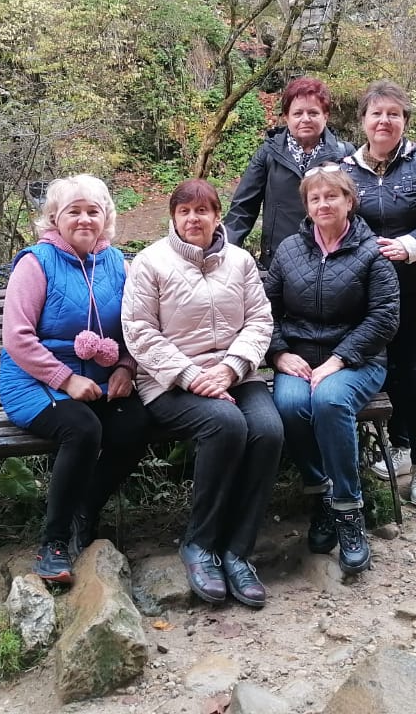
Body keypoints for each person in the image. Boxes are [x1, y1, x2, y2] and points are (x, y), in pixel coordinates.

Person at [122, 179, 282, 608]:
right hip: (168, 381)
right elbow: (139, 332)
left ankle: (237, 552)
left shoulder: (240, 261)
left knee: (268, 430)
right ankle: (200, 544)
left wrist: (230, 369)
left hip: (235, 373)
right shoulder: (151, 262)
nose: (194, 219)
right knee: (225, 424)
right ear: (174, 218)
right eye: (184, 211)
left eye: (202, 211)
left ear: (217, 216)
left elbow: (259, 321)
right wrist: (192, 376)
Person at [0, 174, 150, 583]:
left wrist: (126, 367)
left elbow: (135, 327)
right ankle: (54, 541)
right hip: (35, 381)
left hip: (100, 379)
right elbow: (17, 337)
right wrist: (64, 380)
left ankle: (86, 508)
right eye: (74, 211)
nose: (84, 219)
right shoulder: (36, 263)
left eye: (93, 211)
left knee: (137, 423)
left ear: (106, 218)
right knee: (82, 429)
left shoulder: (118, 265)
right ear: (55, 218)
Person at [266, 163, 399, 574]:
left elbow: (385, 318)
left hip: (359, 359)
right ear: (306, 206)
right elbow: (264, 309)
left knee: (328, 401)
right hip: (299, 357)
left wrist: (339, 359)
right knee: (290, 404)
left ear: (349, 201)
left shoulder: (372, 252)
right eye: (315, 198)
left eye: (332, 196)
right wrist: (278, 354)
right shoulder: (290, 249)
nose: (323, 204)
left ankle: (348, 509)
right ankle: (321, 492)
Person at [340, 81, 416, 509]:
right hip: (368, 296)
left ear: (404, 121)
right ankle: (401, 445)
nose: (384, 121)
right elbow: (334, 218)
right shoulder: (346, 169)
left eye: (393, 113)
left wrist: (409, 245)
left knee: (415, 374)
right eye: (376, 113)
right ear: (363, 121)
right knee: (387, 373)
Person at [223, 77, 355, 269]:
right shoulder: (269, 154)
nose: (305, 119)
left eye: (313, 113)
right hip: (279, 262)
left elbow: (357, 209)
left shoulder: (344, 155)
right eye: (298, 113)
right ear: (286, 117)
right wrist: (224, 253)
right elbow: (243, 209)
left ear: (325, 116)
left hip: (333, 263)